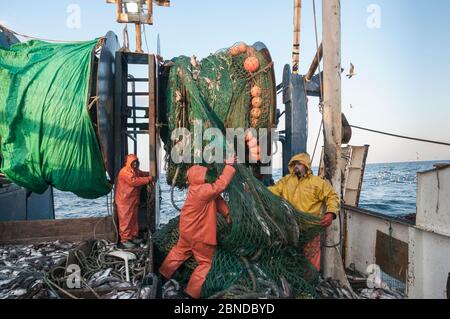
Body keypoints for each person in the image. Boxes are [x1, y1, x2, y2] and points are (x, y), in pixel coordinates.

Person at [159, 157, 236, 299]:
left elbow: (216, 199)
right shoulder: (203, 190)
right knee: (206, 262)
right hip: (200, 236)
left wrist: (227, 214)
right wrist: (229, 166)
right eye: (205, 174)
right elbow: (221, 185)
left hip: (187, 231)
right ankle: (191, 294)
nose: (207, 176)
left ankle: (162, 275)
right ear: (201, 178)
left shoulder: (196, 189)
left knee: (179, 251)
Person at [268, 152, 339, 271]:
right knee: (290, 254)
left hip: (310, 229)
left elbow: (332, 197)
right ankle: (293, 276)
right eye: (294, 163)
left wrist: (330, 213)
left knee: (311, 256)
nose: (296, 166)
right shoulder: (286, 180)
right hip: (289, 227)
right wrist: (256, 189)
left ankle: (311, 281)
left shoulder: (318, 183)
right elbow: (273, 191)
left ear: (306, 165)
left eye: (299, 163)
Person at [115, 154, 153, 249]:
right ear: (129, 163)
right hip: (124, 201)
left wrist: (150, 173)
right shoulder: (124, 172)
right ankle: (125, 240)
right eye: (133, 162)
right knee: (126, 221)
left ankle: (133, 236)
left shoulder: (135, 171)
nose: (135, 164)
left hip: (132, 200)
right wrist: (149, 179)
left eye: (136, 162)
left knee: (133, 220)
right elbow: (134, 181)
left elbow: (142, 174)